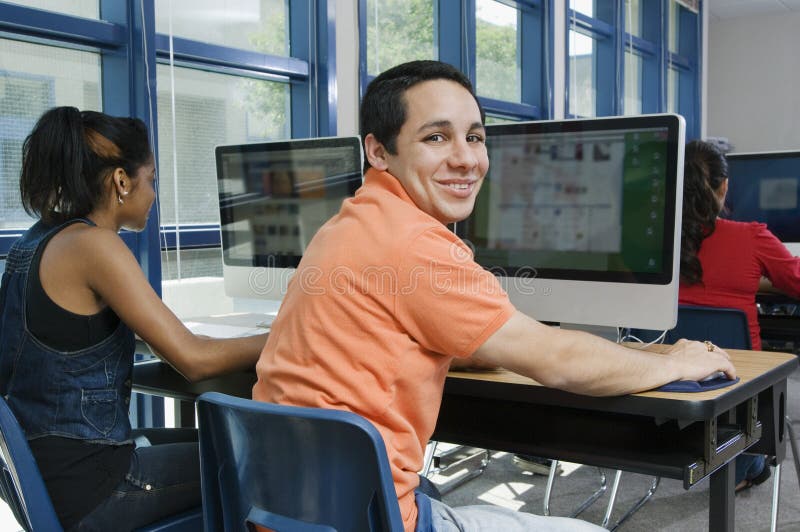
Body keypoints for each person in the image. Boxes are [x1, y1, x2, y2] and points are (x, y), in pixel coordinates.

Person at [252, 60, 735, 532]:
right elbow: (560, 360)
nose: (466, 158)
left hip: (284, 511)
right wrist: (674, 363)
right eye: (436, 137)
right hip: (363, 518)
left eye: (475, 137)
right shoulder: (415, 243)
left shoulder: (348, 223)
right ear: (379, 152)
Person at [0, 107, 267, 531]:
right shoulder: (94, 246)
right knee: (260, 459)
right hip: (95, 485)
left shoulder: (33, 242)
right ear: (122, 181)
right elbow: (194, 359)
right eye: (152, 180)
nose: (154, 194)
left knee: (222, 443)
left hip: (46, 473)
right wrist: (287, 334)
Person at [678, 139, 800, 493]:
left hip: (668, 391)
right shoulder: (751, 238)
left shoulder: (656, 246)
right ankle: (751, 461)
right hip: (737, 391)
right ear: (724, 186)